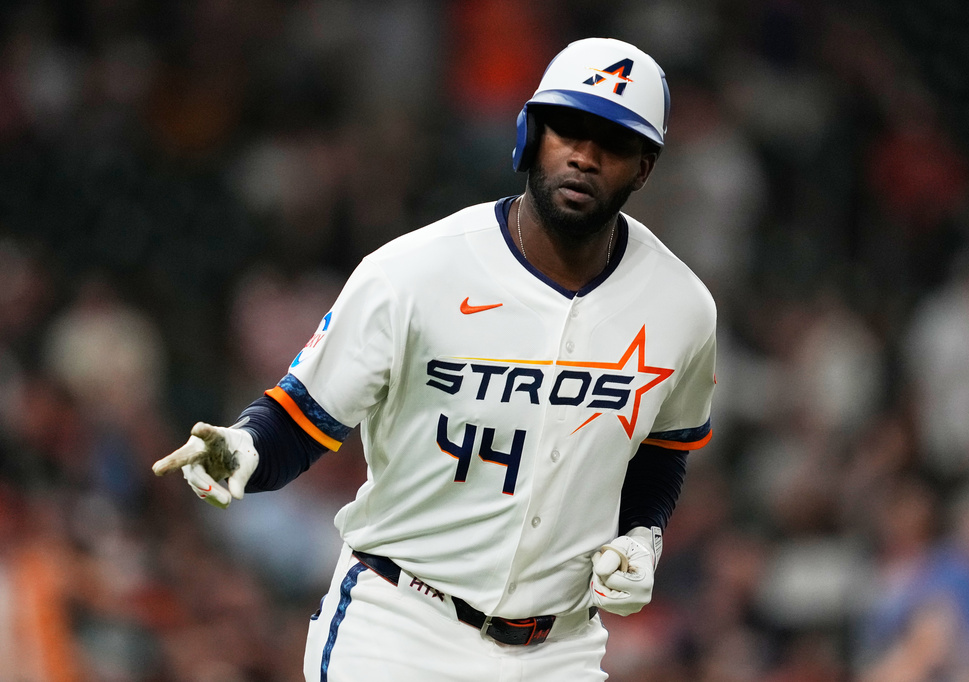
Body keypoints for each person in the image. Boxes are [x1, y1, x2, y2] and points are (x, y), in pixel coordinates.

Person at [153, 37, 717, 681]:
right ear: (532, 134)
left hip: (559, 649)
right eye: (570, 127)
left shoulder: (682, 307)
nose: (585, 156)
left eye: (613, 142)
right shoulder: (414, 271)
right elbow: (304, 416)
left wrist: (643, 535)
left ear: (644, 167)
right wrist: (245, 449)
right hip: (400, 628)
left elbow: (665, 447)